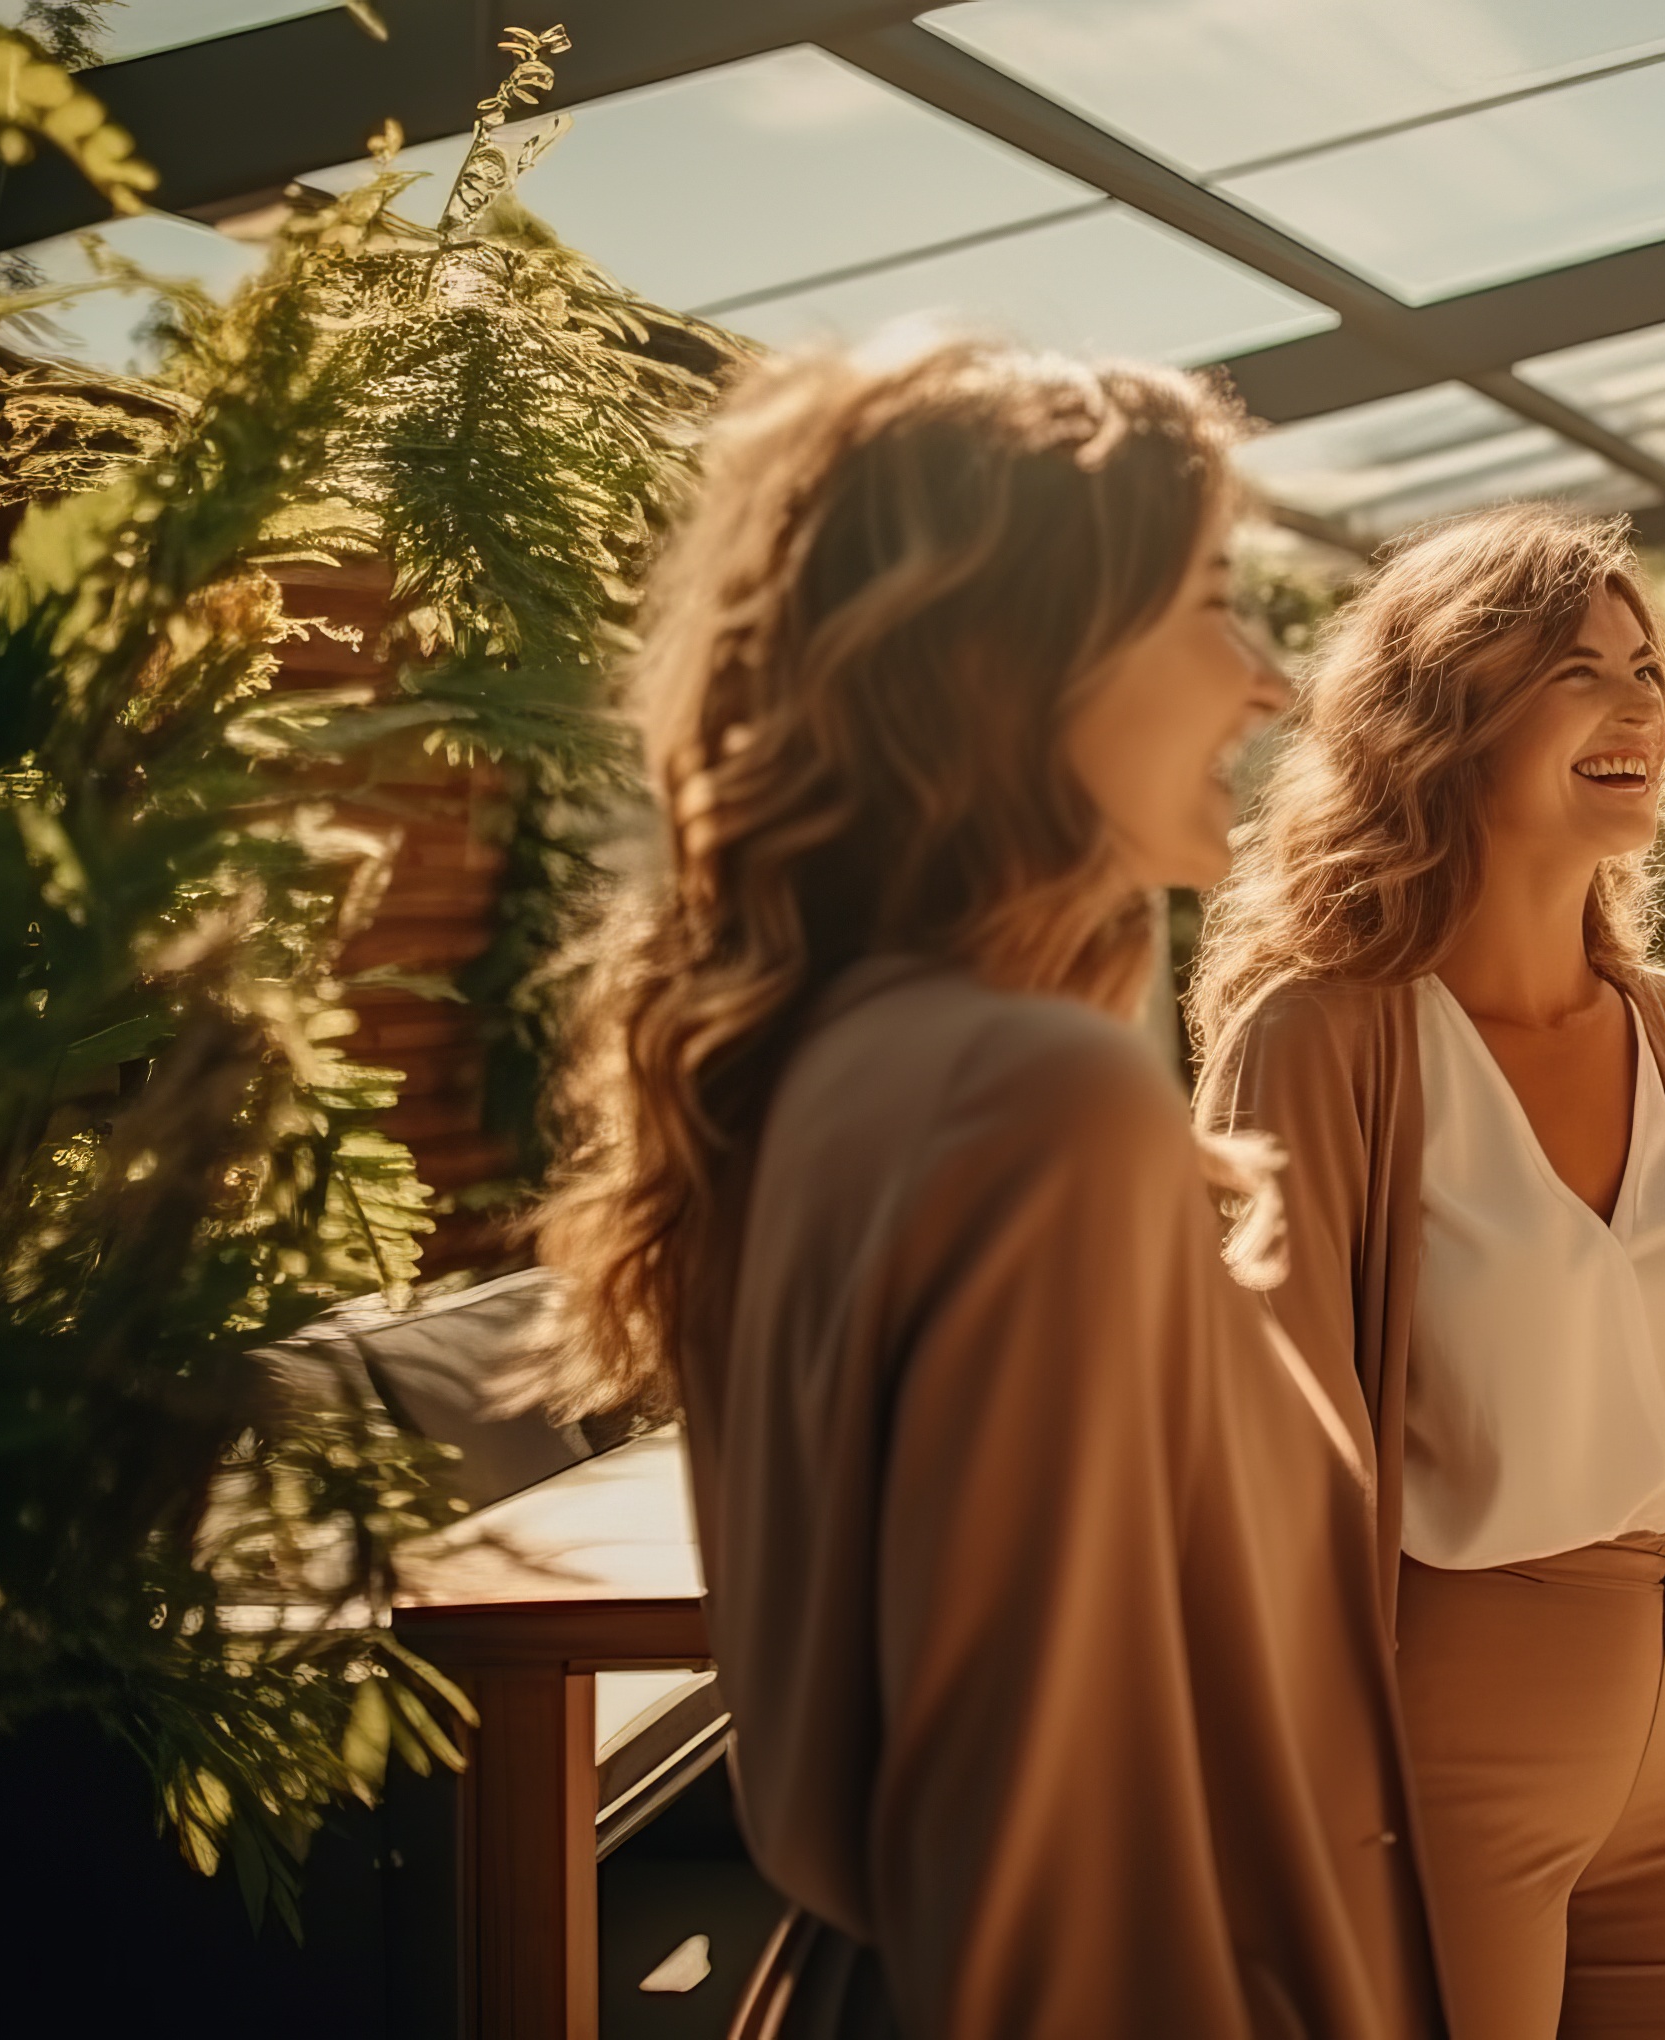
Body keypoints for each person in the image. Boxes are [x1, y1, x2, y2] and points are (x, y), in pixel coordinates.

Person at [536, 334, 1433, 2039]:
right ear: (1021, 658)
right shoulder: (1033, 1108)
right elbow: (1051, 1886)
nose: (1263, 681)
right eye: (1209, 600)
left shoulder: (826, 1071)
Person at [1191, 502, 1665, 2039]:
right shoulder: (1325, 1038)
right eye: (1574, 671)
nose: (1638, 706)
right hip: (1441, 1722)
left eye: (1647, 666)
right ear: (1443, 714)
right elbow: (1257, 1473)